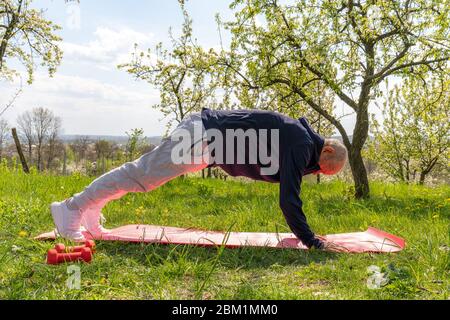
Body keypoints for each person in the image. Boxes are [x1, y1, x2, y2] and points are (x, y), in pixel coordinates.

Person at [51, 108, 348, 250]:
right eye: (326, 168)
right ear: (329, 149)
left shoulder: (301, 141)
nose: (320, 173)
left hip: (207, 142)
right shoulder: (302, 144)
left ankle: (90, 210)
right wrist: (310, 241)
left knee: (141, 176)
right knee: (141, 175)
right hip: (203, 137)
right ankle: (71, 208)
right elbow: (289, 197)